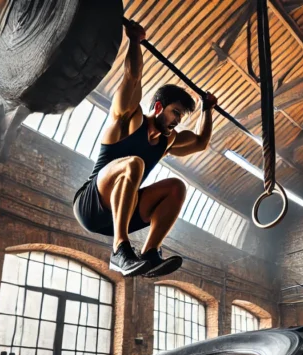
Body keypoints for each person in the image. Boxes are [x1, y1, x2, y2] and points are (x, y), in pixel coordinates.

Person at [73, 19, 217, 277]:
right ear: (159, 107)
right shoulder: (128, 119)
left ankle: (150, 252)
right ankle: (120, 250)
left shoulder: (168, 141)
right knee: (134, 163)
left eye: (181, 117)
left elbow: (200, 142)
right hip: (91, 203)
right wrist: (134, 42)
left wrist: (208, 110)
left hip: (121, 211)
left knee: (177, 187)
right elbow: (132, 76)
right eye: (175, 113)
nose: (176, 121)